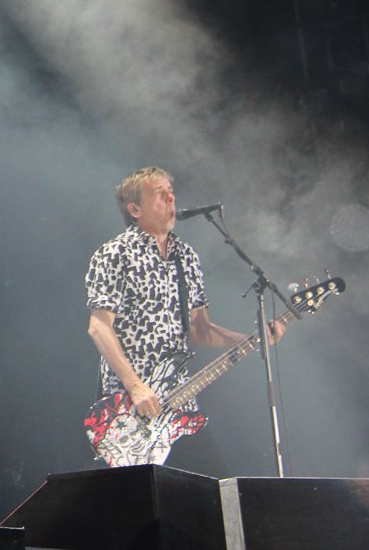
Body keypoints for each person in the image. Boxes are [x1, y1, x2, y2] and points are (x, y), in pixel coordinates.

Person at [85, 166, 284, 470]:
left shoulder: (186, 257)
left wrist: (251, 340)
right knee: (144, 504)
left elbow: (200, 331)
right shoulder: (115, 253)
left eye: (171, 193)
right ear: (134, 208)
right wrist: (136, 387)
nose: (170, 198)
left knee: (213, 494)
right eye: (159, 194)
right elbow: (99, 327)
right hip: (128, 411)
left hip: (178, 401)